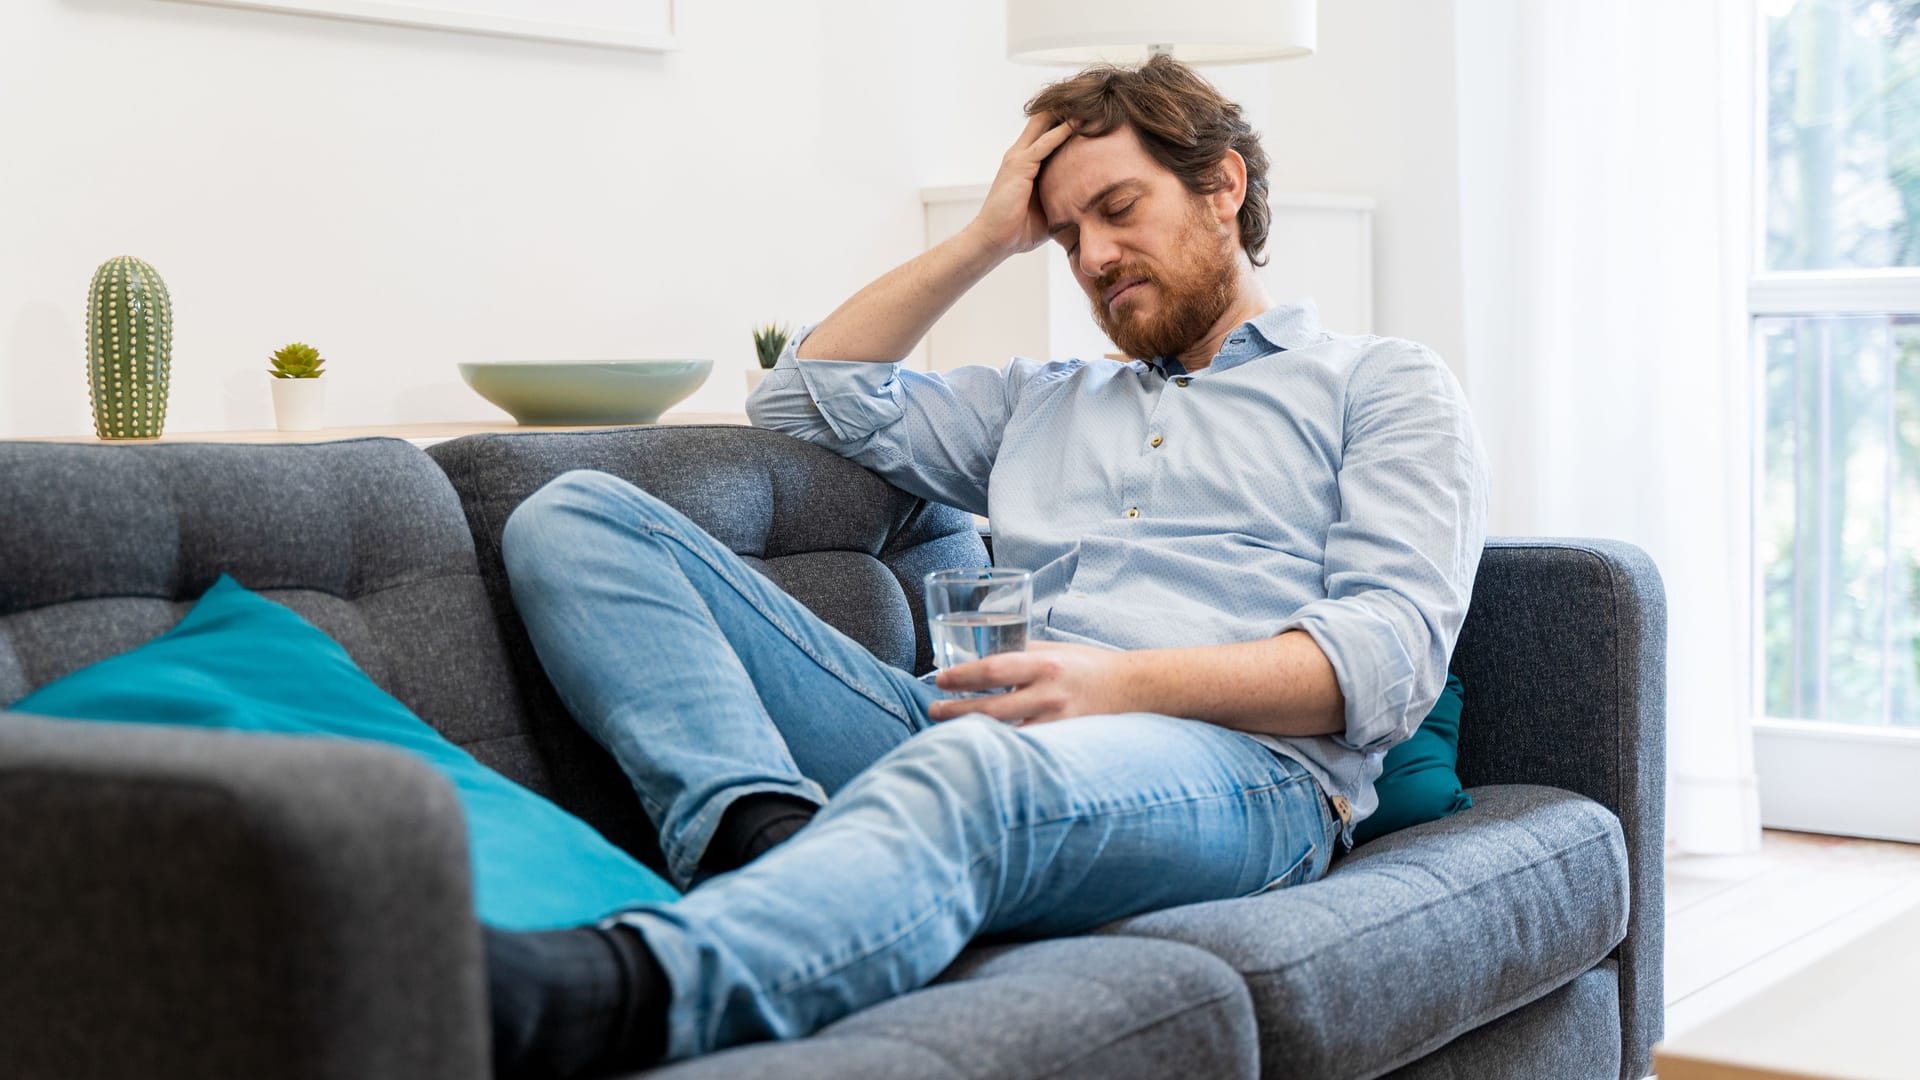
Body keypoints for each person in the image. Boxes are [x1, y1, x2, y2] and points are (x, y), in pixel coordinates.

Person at [484, 55, 1489, 1078]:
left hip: (1244, 776)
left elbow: (1388, 660)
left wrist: (1113, 685)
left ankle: (605, 998)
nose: (1094, 256)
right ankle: (772, 840)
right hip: (971, 729)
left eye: (1119, 207)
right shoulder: (1041, 400)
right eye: (1065, 237)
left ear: (1222, 186)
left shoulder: (1381, 383)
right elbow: (803, 398)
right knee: (577, 515)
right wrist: (986, 236)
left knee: (982, 763)